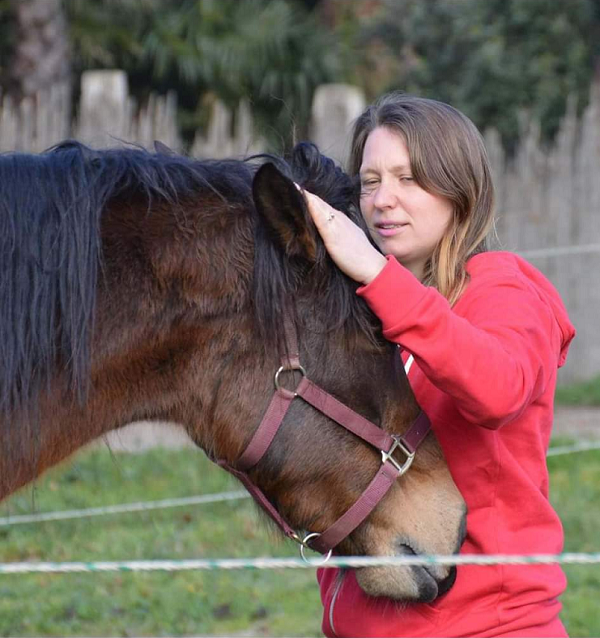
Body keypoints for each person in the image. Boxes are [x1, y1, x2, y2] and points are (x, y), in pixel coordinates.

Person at [300, 93, 575, 638]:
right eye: (371, 180)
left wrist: (378, 277)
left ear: (459, 191)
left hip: (488, 627)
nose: (383, 200)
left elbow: (499, 389)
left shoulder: (504, 290)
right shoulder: (364, 315)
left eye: (409, 178)